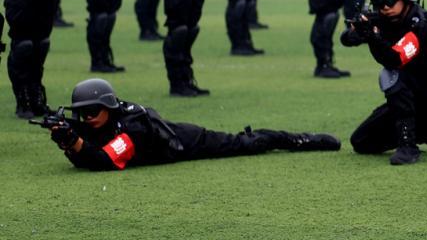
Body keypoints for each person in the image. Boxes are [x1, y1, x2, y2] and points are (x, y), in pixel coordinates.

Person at [41, 78, 340, 171]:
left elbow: (101, 161)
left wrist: (71, 141)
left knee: (245, 144)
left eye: (93, 111)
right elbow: (87, 151)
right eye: (81, 114)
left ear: (108, 107)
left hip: (186, 141)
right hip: (169, 138)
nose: (87, 118)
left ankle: (300, 139)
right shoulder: (100, 124)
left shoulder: (131, 128)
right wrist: (69, 139)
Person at [341, 0, 427, 165]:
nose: (385, 7)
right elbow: (346, 39)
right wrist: (359, 28)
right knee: (361, 142)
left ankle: (408, 146)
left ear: (406, 0)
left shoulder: (424, 26)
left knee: (392, 75)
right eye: (379, 3)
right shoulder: (387, 20)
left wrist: (373, 37)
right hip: (413, 95)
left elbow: (394, 60)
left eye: (390, 1)